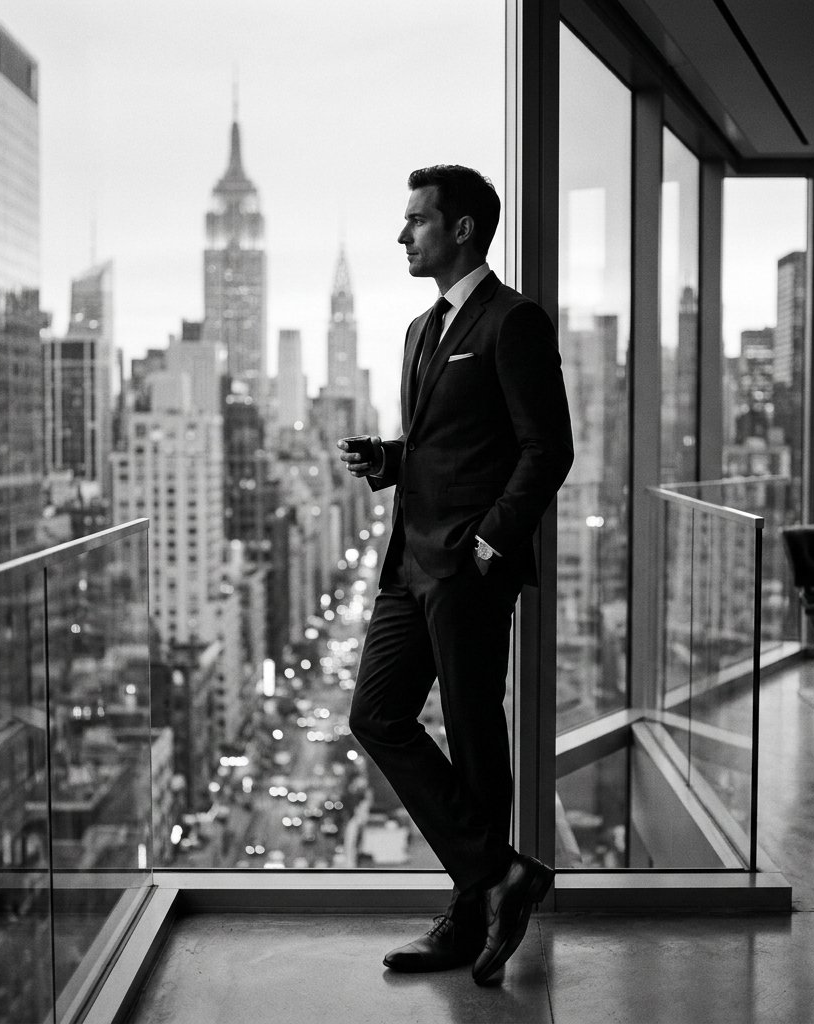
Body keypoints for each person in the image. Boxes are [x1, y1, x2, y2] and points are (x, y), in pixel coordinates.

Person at [339, 164, 573, 985]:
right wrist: (391, 459)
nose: (403, 235)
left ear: (463, 229)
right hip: (408, 562)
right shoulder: (418, 331)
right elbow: (448, 444)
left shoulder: (514, 322)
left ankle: (470, 916)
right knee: (375, 714)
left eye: (416, 221)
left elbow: (547, 449)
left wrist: (489, 546)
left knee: (475, 738)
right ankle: (499, 875)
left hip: (469, 566)